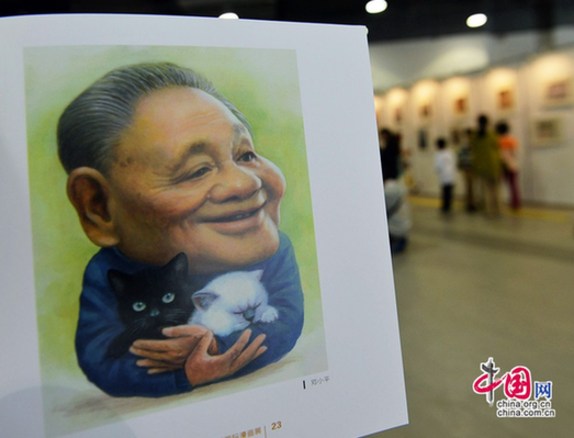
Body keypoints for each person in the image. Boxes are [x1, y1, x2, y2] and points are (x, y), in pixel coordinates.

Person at [57, 62, 304, 397]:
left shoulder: (269, 248)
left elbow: (286, 322)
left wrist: (217, 347)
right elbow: (101, 360)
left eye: (245, 155)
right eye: (197, 170)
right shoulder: (110, 275)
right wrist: (185, 374)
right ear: (98, 206)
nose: (245, 183)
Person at [470, 114, 502, 217]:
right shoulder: (492, 134)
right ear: (488, 123)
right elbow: (497, 148)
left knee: (486, 190)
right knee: (496, 189)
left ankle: (489, 211)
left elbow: (473, 150)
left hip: (481, 166)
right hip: (493, 164)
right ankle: (498, 209)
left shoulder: (474, 136)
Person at [495, 120, 521, 210]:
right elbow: (515, 153)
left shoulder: (497, 141)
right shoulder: (512, 140)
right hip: (512, 165)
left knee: (498, 185)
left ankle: (499, 203)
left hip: (500, 165)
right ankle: (515, 203)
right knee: (513, 186)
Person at [434, 137, 456, 214]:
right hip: (451, 175)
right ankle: (448, 205)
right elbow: (453, 163)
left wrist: (437, 171)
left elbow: (438, 167)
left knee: (444, 191)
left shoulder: (438, 154)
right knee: (449, 191)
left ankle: (445, 206)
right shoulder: (450, 152)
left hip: (443, 176)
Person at [457, 128, 476, 212]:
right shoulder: (470, 144)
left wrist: (460, 165)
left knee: (469, 187)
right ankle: (470, 204)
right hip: (470, 167)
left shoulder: (464, 144)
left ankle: (470, 203)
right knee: (470, 187)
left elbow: (460, 156)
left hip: (467, 167)